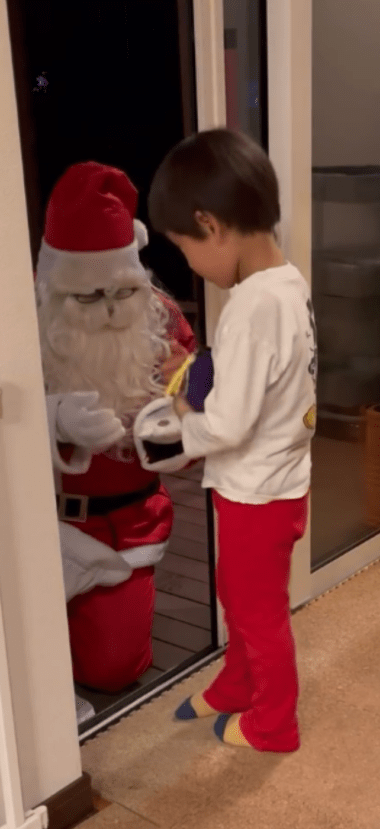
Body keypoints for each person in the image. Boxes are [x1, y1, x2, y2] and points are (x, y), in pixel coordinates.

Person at [148, 128, 317, 753]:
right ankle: (237, 683)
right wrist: (196, 373)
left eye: (184, 248)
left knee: (257, 612)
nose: (190, 264)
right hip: (274, 484)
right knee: (239, 597)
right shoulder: (287, 283)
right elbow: (261, 381)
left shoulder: (251, 307)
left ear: (211, 226)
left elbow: (227, 424)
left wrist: (175, 423)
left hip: (256, 490)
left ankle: (275, 723)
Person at [37, 161, 197, 701]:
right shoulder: (25, 324)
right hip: (39, 527)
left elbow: (198, 399)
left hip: (129, 526)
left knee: (112, 670)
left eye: (123, 293)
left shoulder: (162, 319)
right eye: (87, 296)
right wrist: (53, 419)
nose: (108, 310)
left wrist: (177, 428)